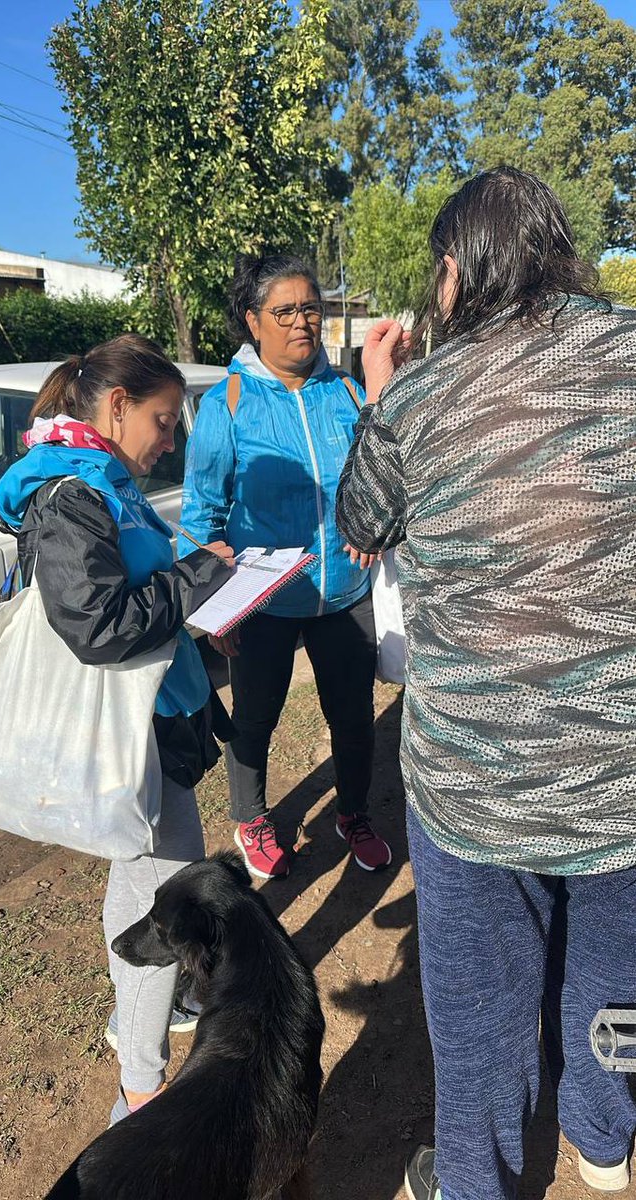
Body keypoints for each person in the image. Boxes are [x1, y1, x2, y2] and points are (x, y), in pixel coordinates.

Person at [336, 167, 636, 1200]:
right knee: (617, 978)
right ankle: (605, 1142)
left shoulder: (418, 398)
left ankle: (483, 1181)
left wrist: (383, 400)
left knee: (481, 1020)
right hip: (625, 774)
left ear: (454, 269)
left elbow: (359, 527)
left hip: (477, 784)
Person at [0, 334, 235, 1125]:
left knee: (144, 884)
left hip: (150, 725)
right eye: (163, 422)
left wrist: (200, 613)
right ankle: (140, 1087)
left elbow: (134, 598)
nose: (170, 441)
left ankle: (143, 1024)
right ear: (118, 407)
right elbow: (96, 625)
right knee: (166, 897)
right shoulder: (72, 494)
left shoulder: (104, 482)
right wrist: (200, 580)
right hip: (127, 734)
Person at [179, 252, 392, 879]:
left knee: (353, 716)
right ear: (253, 320)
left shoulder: (348, 391)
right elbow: (201, 514)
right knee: (256, 716)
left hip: (344, 591)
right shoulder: (229, 403)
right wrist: (216, 607)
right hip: (263, 599)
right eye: (285, 311)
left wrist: (374, 525)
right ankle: (250, 817)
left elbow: (376, 478)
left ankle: (352, 812)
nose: (303, 322)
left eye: (311, 309)